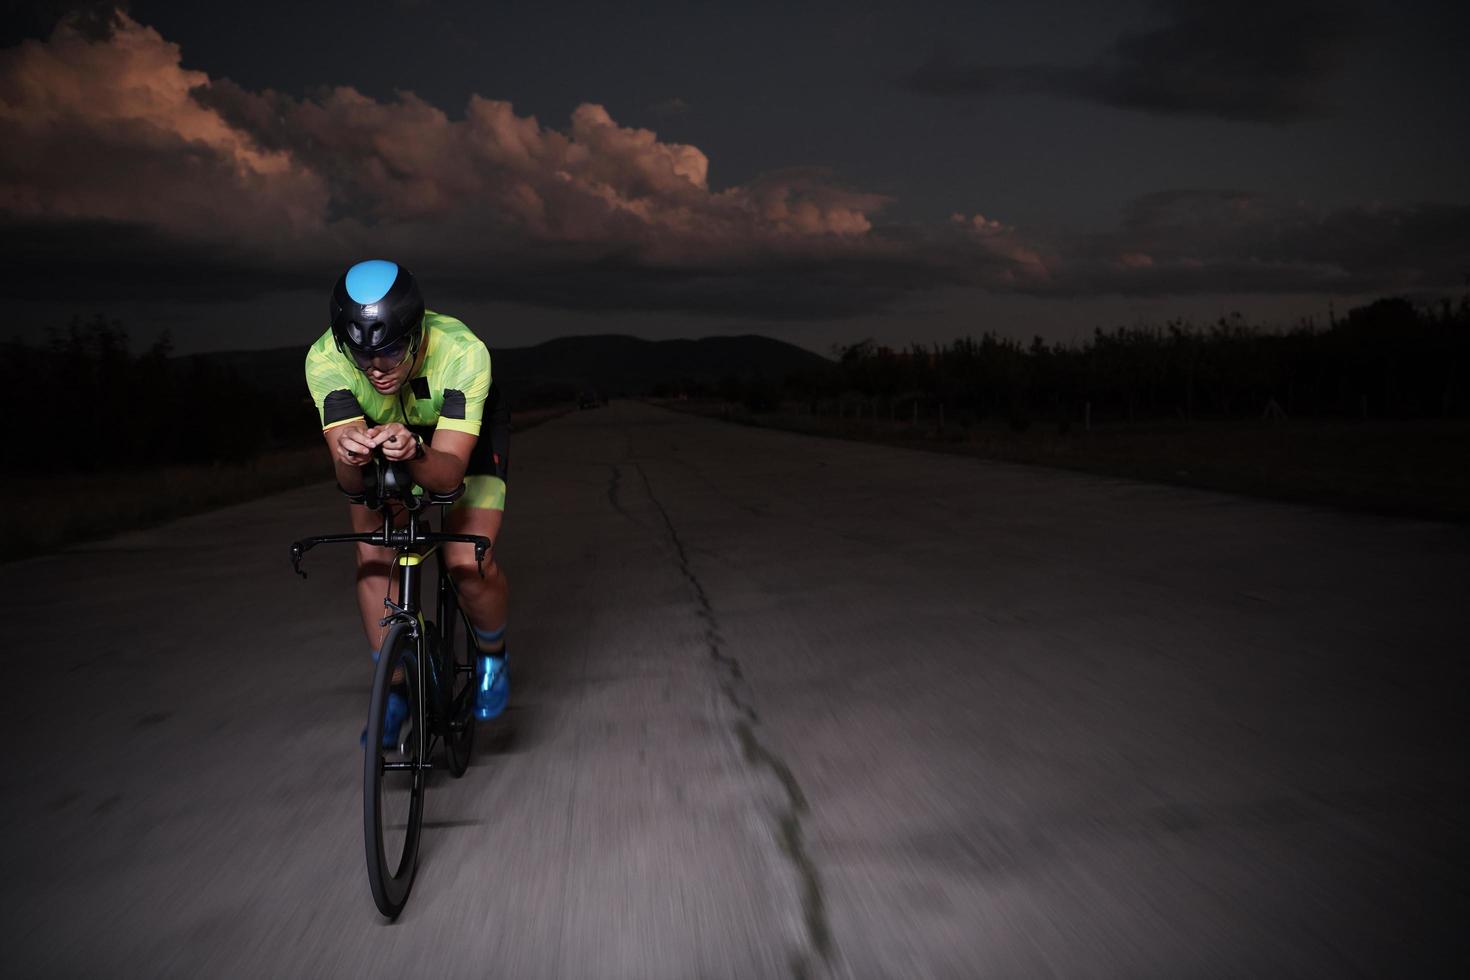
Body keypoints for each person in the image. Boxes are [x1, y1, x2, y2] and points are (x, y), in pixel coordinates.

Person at [304, 259, 510, 744]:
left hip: (456, 442)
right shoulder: (325, 358)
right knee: (374, 557)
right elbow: (352, 486)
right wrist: (351, 454)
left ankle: (493, 653)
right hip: (384, 435)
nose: (377, 368)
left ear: (417, 334)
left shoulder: (463, 352)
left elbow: (447, 477)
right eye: (362, 354)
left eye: (392, 350)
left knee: (467, 562)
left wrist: (416, 450)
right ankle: (394, 688)